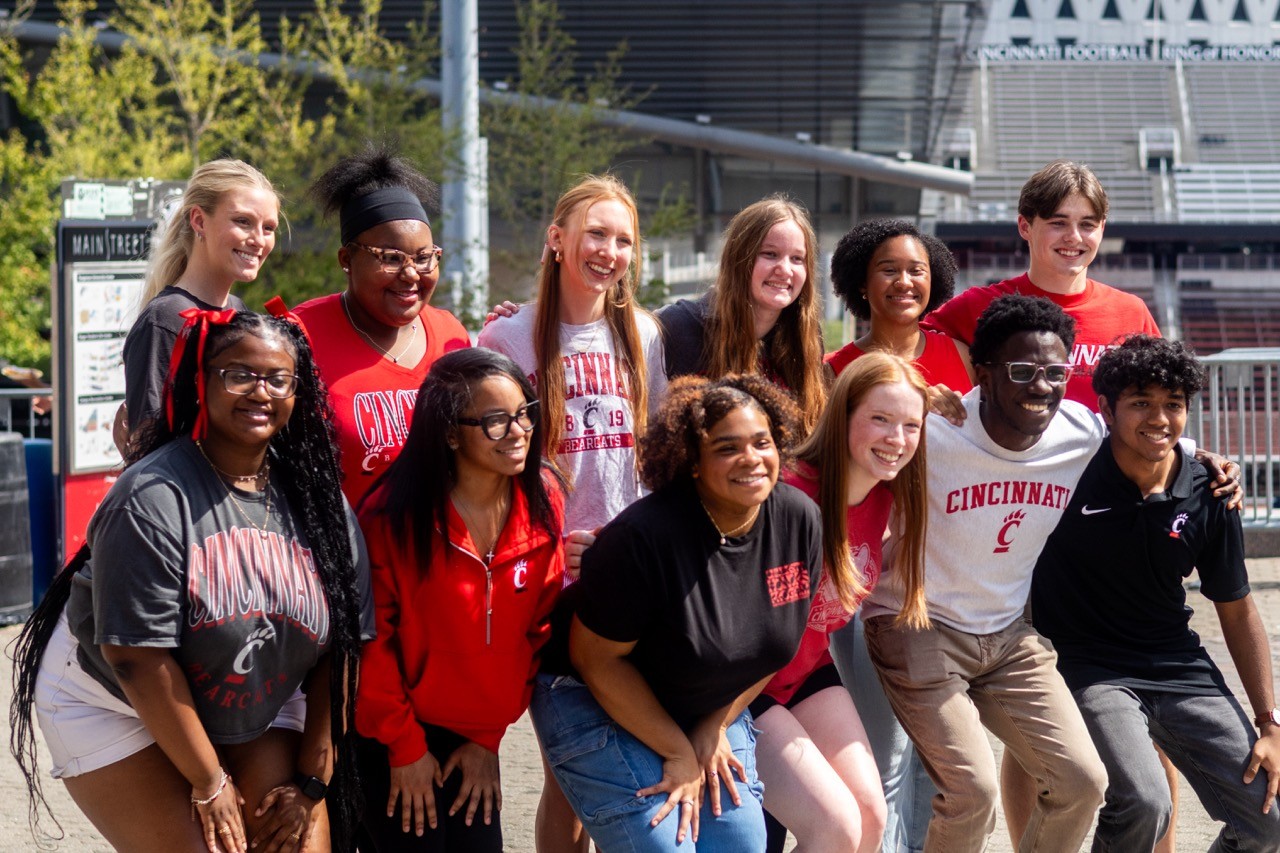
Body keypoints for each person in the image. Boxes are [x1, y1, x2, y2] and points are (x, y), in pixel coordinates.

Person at [12, 309, 373, 852]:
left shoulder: (321, 505)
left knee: (293, 843)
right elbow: (136, 656)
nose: (261, 391)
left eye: (278, 378)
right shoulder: (152, 496)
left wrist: (313, 783)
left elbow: (342, 653)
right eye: (239, 374)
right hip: (112, 694)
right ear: (202, 383)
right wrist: (209, 782)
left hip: (248, 693)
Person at [529, 374, 823, 852]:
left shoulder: (798, 519)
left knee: (741, 845)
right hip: (589, 691)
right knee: (665, 846)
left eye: (762, 442)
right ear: (693, 464)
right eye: (728, 448)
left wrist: (714, 724)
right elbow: (596, 659)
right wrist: (676, 750)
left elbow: (772, 645)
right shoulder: (644, 539)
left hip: (701, 701)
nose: (751, 459)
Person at [476, 173, 667, 852]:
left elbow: (656, 457)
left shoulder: (644, 332)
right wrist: (555, 543)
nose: (609, 251)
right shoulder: (508, 337)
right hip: (549, 581)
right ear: (557, 239)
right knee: (568, 770)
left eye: (623, 240)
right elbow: (485, 466)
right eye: (595, 233)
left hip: (631, 579)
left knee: (593, 774)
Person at [1031, 335, 1280, 851]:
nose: (1159, 418)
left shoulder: (1210, 490)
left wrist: (1269, 722)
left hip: (1178, 666)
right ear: (1106, 408)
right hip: (1090, 669)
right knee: (1145, 801)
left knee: (1268, 821)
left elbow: (1236, 611)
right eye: (1141, 402)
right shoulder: (1067, 475)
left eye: (1173, 404)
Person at [353, 348, 566, 852]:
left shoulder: (545, 499)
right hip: (394, 737)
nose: (517, 431)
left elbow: (537, 630)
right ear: (449, 434)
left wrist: (488, 739)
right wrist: (404, 750)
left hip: (476, 737)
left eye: (524, 413)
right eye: (495, 421)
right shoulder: (391, 517)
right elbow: (372, 644)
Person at [823, 218, 971, 853]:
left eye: (917, 269)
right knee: (881, 753)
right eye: (888, 268)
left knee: (938, 762)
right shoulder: (835, 369)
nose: (905, 281)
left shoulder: (959, 354)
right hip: (866, 583)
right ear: (861, 281)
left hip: (946, 581)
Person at [752, 352, 931, 853]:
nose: (896, 439)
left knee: (872, 820)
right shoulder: (787, 493)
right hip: (747, 684)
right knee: (834, 827)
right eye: (880, 419)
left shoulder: (886, 498)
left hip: (806, 673)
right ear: (843, 415)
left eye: (910, 425)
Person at [294, 146, 470, 506]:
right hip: (345, 557)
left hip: (441, 554)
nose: (410, 275)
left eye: (424, 258)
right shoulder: (299, 335)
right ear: (347, 259)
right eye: (390, 258)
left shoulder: (451, 335)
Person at [923, 159, 1159, 410]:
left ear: (1102, 229)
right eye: (1058, 223)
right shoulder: (978, 306)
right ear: (1025, 226)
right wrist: (921, 392)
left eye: (1087, 225)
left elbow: (1162, 394)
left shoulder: (1132, 312)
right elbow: (894, 350)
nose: (1074, 237)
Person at [117, 159, 280, 453]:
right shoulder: (166, 318)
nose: (258, 240)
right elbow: (147, 453)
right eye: (243, 221)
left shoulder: (240, 312)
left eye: (268, 228)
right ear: (199, 221)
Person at [656, 195, 826, 432]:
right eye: (770, 254)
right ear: (739, 258)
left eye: (797, 259)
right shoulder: (677, 326)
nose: (785, 269)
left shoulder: (807, 337)